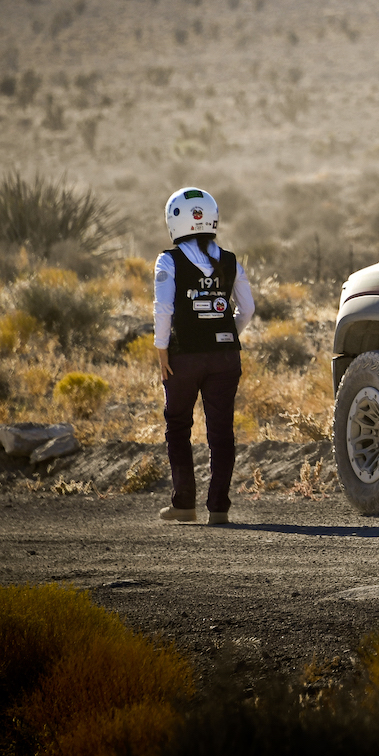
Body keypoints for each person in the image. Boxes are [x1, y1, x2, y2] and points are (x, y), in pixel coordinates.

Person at [152, 187, 255, 525]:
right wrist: (227, 336)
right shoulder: (230, 260)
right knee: (221, 431)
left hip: (184, 357)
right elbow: (248, 309)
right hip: (226, 357)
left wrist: (162, 348)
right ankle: (219, 509)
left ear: (173, 221)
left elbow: (164, 308)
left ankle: (183, 505)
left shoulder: (168, 260)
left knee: (178, 426)